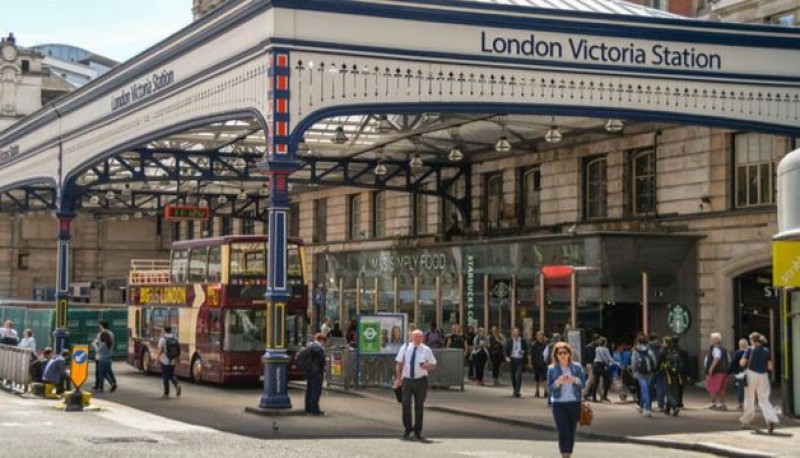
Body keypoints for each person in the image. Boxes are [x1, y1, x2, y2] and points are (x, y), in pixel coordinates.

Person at [394, 329, 437, 441]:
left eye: (420, 337)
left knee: (419, 406)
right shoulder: (405, 347)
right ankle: (408, 428)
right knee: (405, 404)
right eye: (416, 337)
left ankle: (418, 431)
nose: (418, 339)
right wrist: (398, 379)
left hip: (421, 381)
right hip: (407, 380)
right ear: (412, 337)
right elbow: (399, 364)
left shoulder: (426, 350)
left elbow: (433, 365)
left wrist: (426, 366)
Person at [547, 342, 587, 458]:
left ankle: (568, 453)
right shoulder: (552, 369)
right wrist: (557, 383)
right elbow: (549, 388)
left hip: (573, 402)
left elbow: (583, 384)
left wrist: (575, 380)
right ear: (556, 355)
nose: (563, 355)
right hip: (558, 403)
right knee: (563, 430)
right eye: (560, 353)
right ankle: (564, 455)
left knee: (571, 431)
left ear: (569, 354)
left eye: (565, 353)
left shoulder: (576, 367)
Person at [739, 332, 779, 433]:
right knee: (764, 399)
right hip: (763, 376)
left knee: (749, 398)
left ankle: (746, 421)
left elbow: (742, 362)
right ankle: (770, 419)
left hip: (751, 375)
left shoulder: (749, 349)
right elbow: (770, 367)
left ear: (752, 340)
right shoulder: (766, 350)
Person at [631, 334, 657, 417]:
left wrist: (634, 372)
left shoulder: (636, 351)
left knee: (644, 390)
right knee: (645, 389)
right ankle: (641, 406)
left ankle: (648, 409)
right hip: (649, 373)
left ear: (638, 342)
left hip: (640, 373)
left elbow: (633, 363)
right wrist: (653, 370)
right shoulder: (650, 350)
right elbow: (654, 361)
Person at [704, 332, 730, 411]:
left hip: (716, 371)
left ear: (716, 340)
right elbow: (728, 359)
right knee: (722, 389)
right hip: (723, 371)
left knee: (713, 388)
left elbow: (716, 358)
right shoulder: (723, 348)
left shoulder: (716, 348)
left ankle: (713, 403)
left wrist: (711, 369)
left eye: (711, 338)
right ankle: (722, 404)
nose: (710, 340)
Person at [303, 333, 327, 415]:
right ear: (321, 340)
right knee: (316, 390)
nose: (324, 343)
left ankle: (308, 408)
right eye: (324, 341)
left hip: (309, 371)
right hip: (316, 372)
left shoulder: (309, 346)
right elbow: (322, 361)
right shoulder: (318, 349)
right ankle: (314, 409)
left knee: (309, 390)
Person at [156, 325, 182, 398]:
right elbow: (178, 349)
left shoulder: (162, 339)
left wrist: (157, 359)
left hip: (165, 360)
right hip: (173, 360)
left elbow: (160, 350)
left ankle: (166, 393)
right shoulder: (175, 338)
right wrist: (178, 358)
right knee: (171, 374)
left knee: (165, 376)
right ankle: (177, 384)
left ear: (164, 330)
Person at [660, 336, 683, 416]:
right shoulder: (674, 351)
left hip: (667, 374)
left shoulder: (663, 351)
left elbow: (660, 361)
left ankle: (675, 406)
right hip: (676, 375)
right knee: (674, 391)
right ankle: (667, 409)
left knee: (668, 392)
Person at [586, 336, 613, 403]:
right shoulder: (605, 349)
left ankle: (594, 397)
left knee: (596, 382)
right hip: (602, 366)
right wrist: (613, 363)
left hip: (596, 365)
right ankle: (604, 396)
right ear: (604, 343)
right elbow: (607, 358)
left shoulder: (596, 348)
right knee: (608, 380)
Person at [92, 320, 117, 393]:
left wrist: (94, 345)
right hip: (109, 356)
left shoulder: (101, 335)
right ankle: (113, 383)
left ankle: (101, 387)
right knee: (108, 371)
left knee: (101, 373)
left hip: (101, 357)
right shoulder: (111, 334)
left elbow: (98, 349)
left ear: (101, 325)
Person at [504, 326, 527, 397]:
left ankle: (517, 391)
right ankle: (514, 388)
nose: (516, 333)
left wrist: (523, 352)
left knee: (519, 375)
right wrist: (507, 357)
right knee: (513, 375)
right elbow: (505, 350)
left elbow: (526, 349)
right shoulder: (509, 340)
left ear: (519, 333)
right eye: (514, 332)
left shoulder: (522, 340)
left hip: (520, 359)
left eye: (517, 332)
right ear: (512, 333)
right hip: (512, 359)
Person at [648, 333, 666, 412]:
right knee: (660, 387)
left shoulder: (648, 347)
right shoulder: (662, 346)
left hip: (651, 370)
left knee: (650, 387)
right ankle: (661, 405)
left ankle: (648, 405)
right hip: (661, 369)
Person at [731, 338, 749, 411]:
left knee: (740, 389)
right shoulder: (750, 352)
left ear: (739, 345)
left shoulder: (737, 353)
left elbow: (733, 363)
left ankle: (741, 405)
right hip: (749, 373)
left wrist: (731, 372)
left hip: (739, 374)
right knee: (748, 389)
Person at [530, 330, 548, 398]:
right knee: (537, 378)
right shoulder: (534, 345)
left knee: (544, 378)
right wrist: (531, 363)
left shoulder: (546, 344)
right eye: (539, 336)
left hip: (544, 363)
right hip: (536, 363)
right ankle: (537, 391)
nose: (540, 337)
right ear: (536, 337)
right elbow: (531, 355)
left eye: (542, 336)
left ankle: (546, 391)